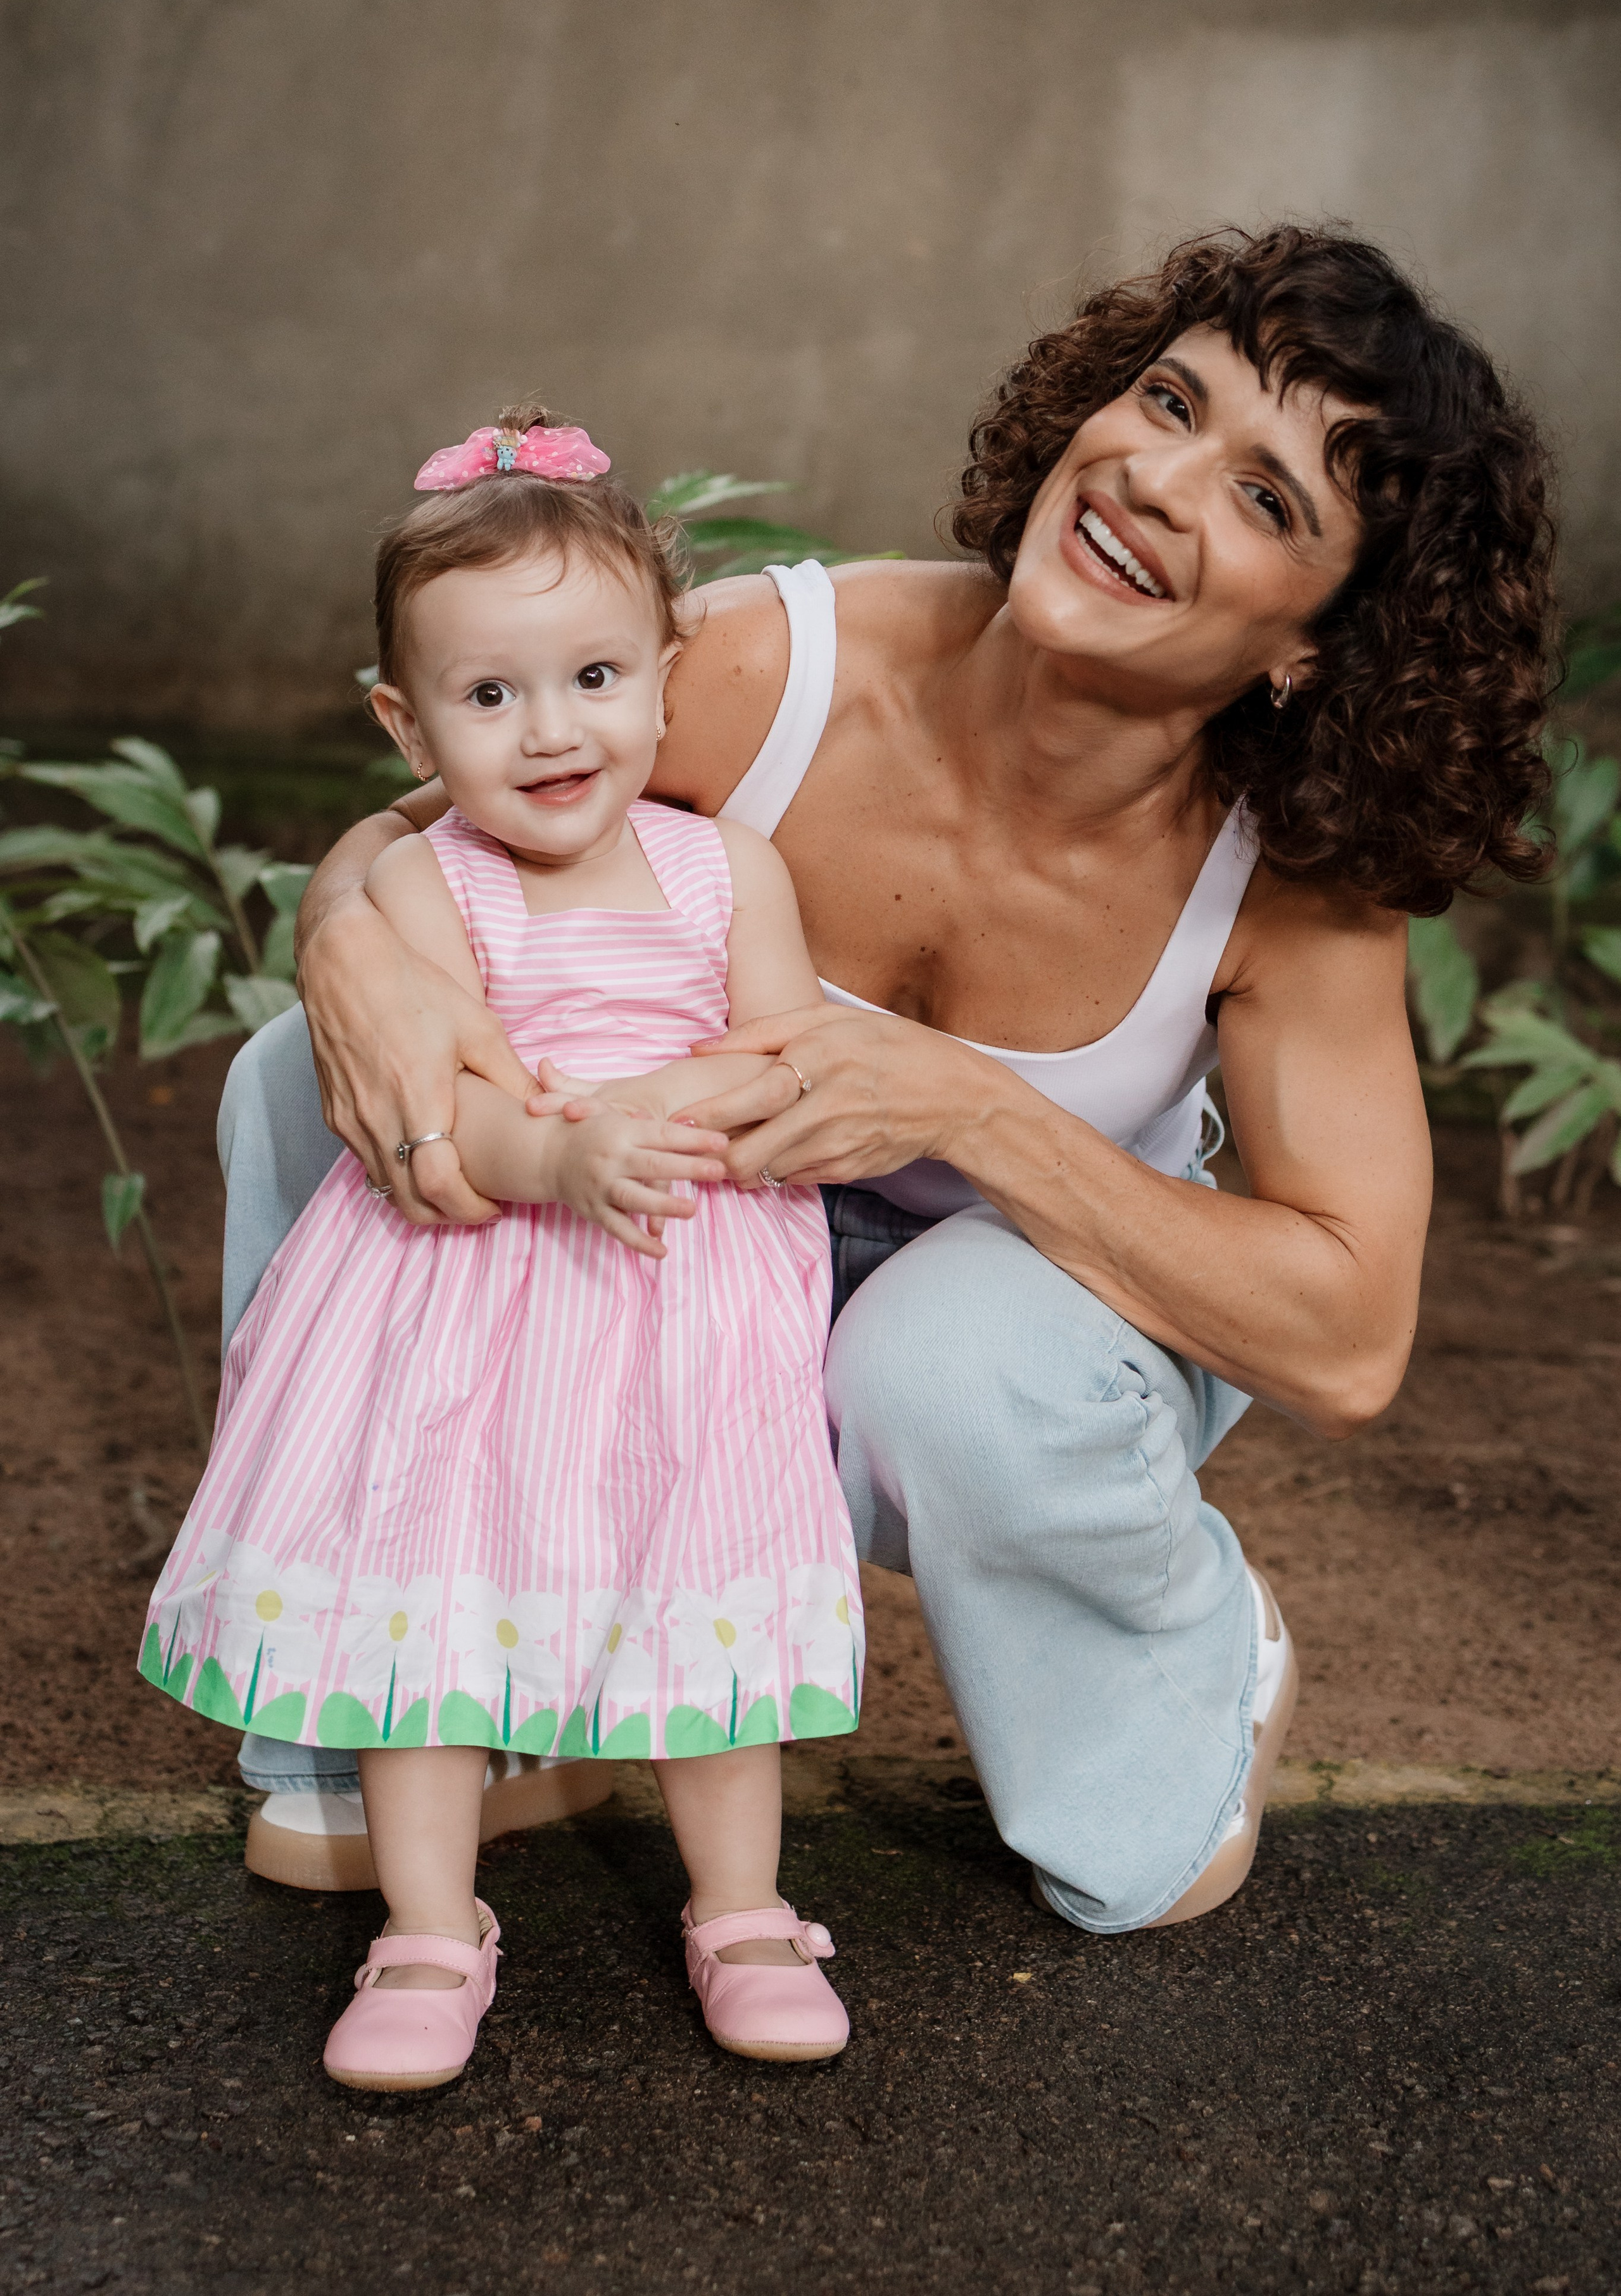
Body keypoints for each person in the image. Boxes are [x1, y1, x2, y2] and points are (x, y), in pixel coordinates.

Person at [227, 224, 1555, 1938]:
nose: (1156, 481)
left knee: (944, 1353)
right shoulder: (778, 669)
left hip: (1020, 1329)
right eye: (1168, 402)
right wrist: (343, 943)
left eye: (1264, 498)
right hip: (690, 1236)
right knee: (300, 1082)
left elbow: (1352, 1340)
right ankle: (452, 1680)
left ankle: (1186, 1676)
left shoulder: (1290, 882)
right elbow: (424, 832)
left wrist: (964, 1105)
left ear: (1318, 643)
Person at [142, 415, 862, 2088]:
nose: (552, 729)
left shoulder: (725, 870)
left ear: (665, 679)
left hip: (680, 1286)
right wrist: (563, 1151)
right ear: (405, 723)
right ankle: (426, 1923)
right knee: (434, 1586)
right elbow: (440, 1119)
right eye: (489, 695)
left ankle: (744, 1907)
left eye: (595, 676)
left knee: (696, 1583)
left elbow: (785, 1050)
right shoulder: (425, 889)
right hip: (467, 1294)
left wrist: (654, 1110)